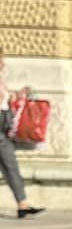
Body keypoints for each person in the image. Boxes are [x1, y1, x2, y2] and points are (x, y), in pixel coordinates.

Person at [0, 51, 43, 217]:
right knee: (9, 164)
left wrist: (16, 96)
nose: (4, 63)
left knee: (10, 165)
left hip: (3, 127)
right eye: (1, 59)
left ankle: (22, 204)